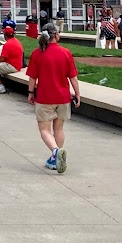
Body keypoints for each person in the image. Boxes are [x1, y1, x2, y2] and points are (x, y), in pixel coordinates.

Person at [25, 24, 81, 174]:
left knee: (44, 129)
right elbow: (73, 77)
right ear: (56, 35)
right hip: (63, 96)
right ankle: (55, 157)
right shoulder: (65, 53)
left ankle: (56, 152)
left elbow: (32, 77)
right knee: (59, 128)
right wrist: (77, 93)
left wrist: (30, 92)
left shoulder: (38, 53)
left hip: (45, 97)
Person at [0, 26, 24, 94]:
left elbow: (1, 58)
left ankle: (0, 86)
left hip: (13, 66)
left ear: (5, 35)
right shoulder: (16, 41)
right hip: (17, 64)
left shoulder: (7, 44)